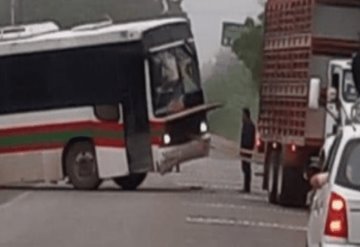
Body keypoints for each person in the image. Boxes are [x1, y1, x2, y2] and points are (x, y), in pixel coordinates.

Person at [240, 108, 256, 193]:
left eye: (243, 115)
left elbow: (248, 139)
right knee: (244, 167)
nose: (242, 117)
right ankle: (245, 186)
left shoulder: (249, 125)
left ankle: (247, 187)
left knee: (246, 168)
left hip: (247, 149)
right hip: (245, 149)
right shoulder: (246, 125)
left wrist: (245, 149)